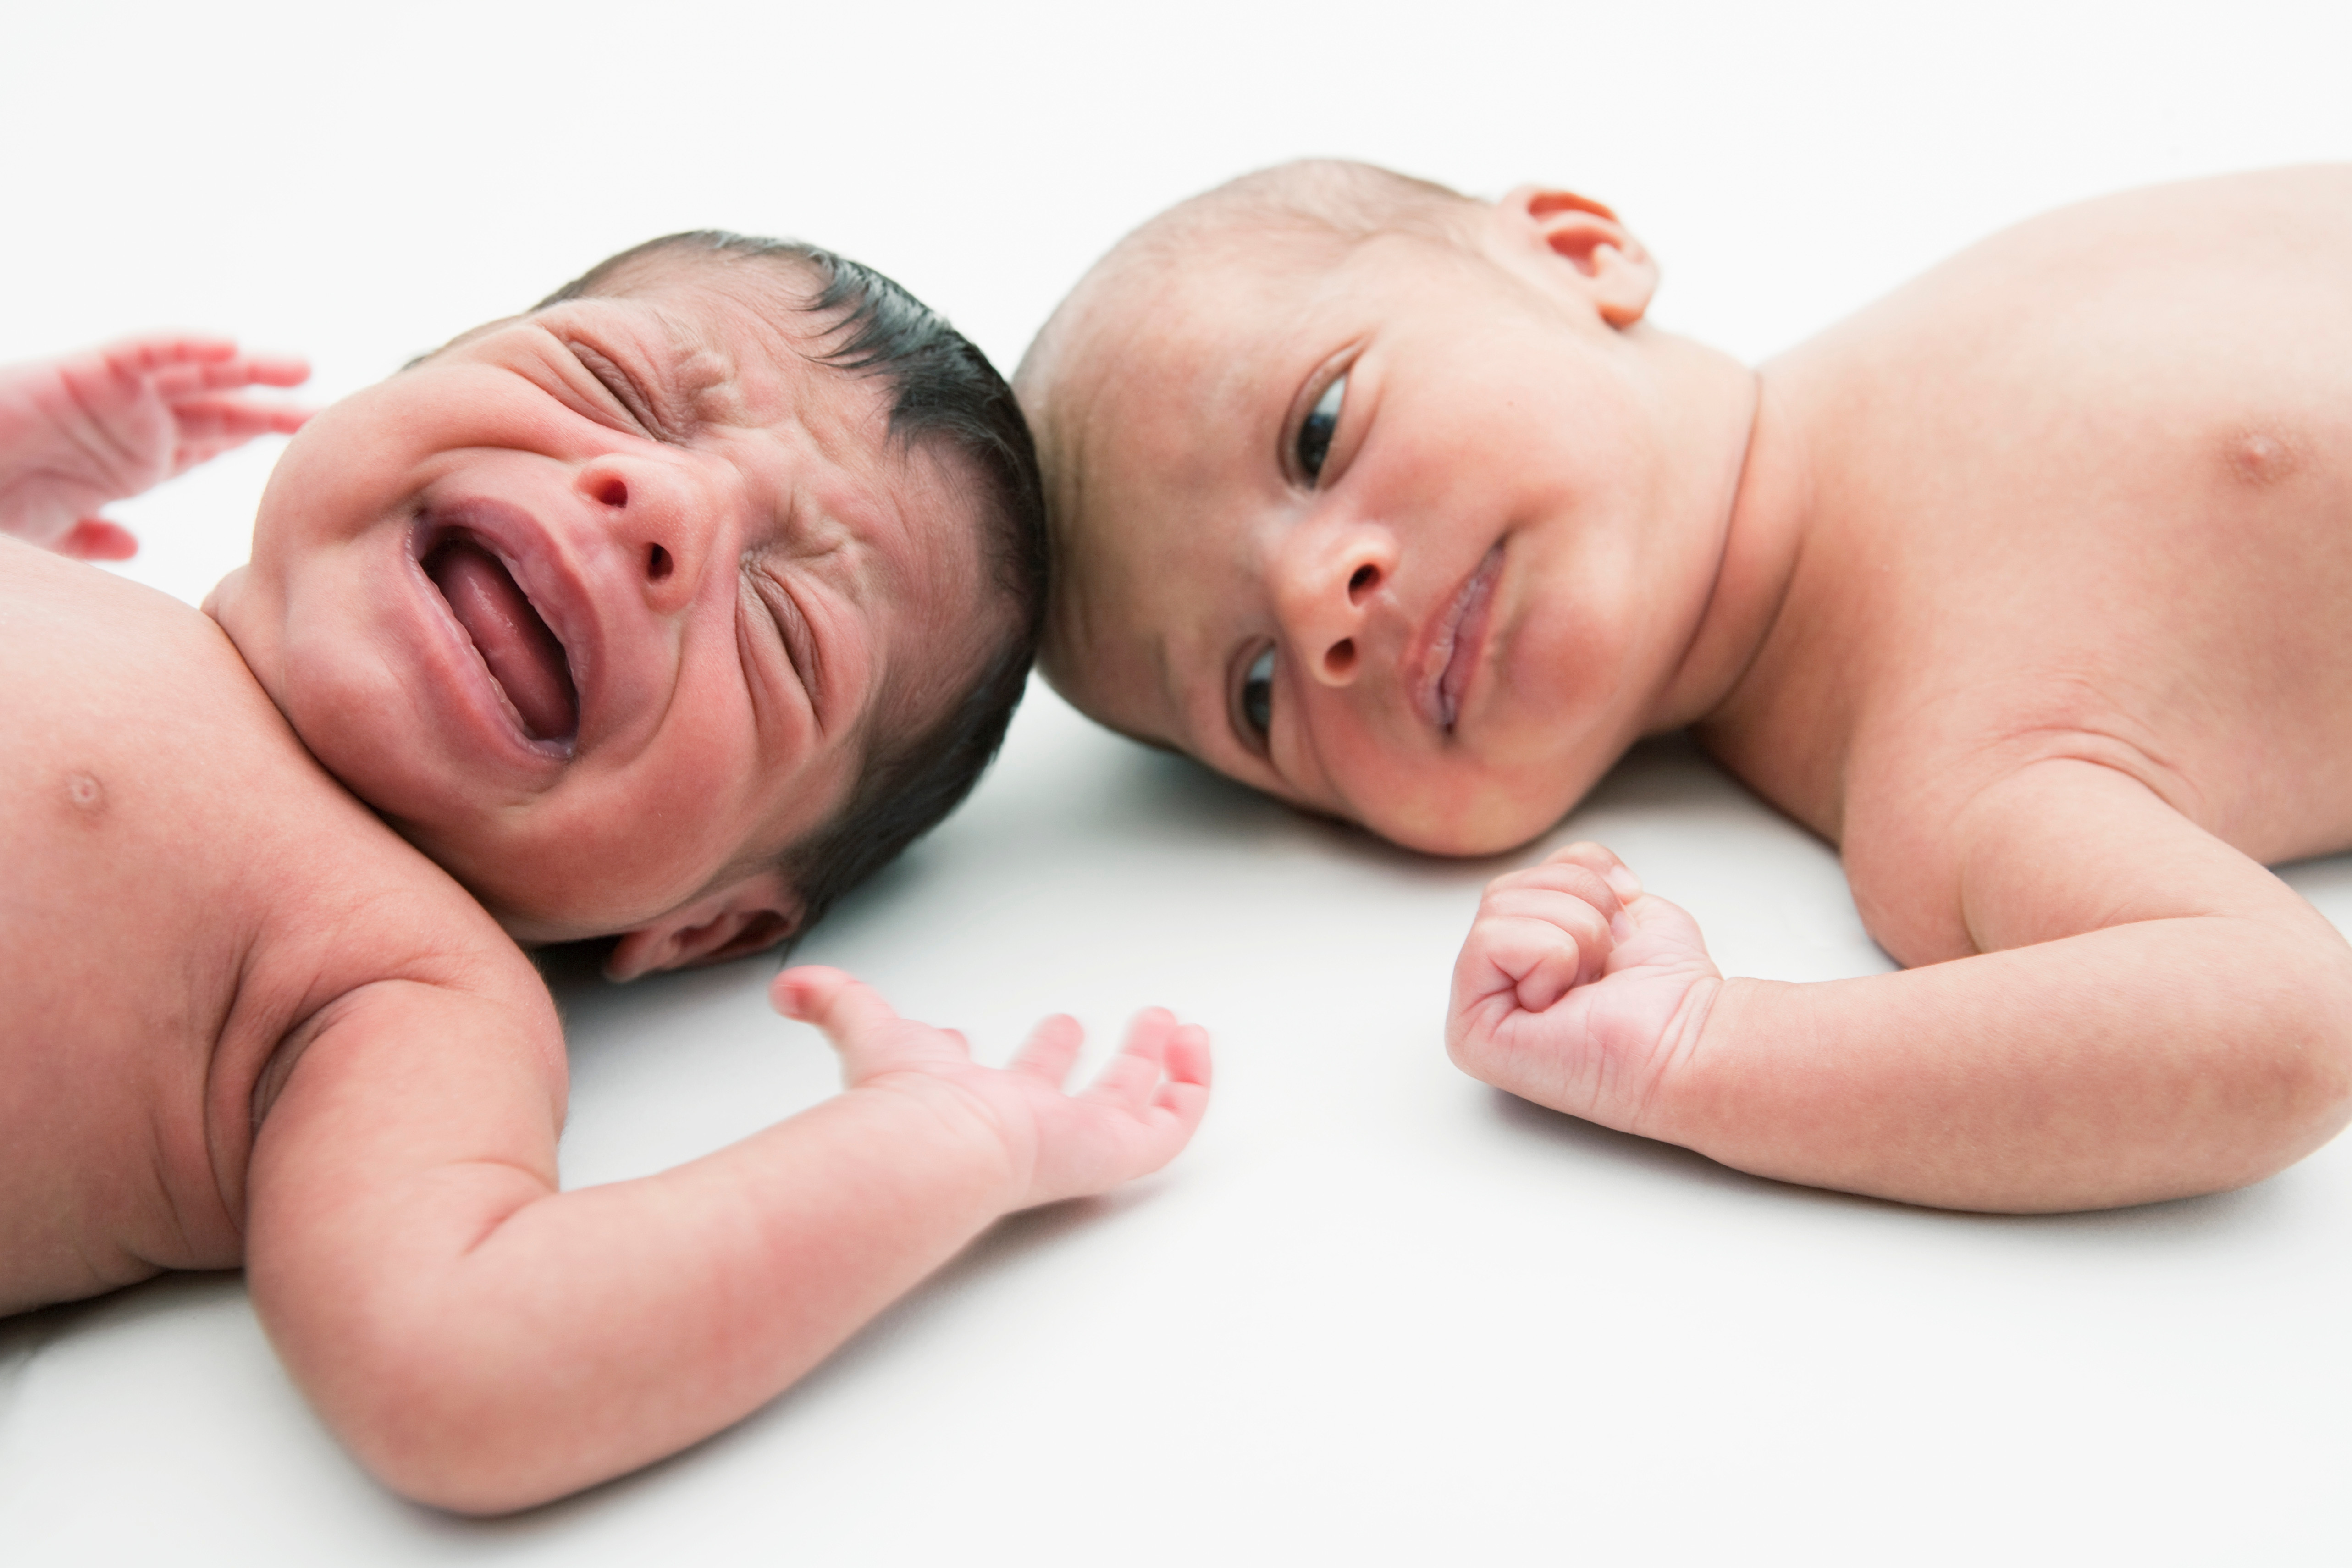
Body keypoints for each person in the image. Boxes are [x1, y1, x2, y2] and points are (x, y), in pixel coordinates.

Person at [0, 232, 1210, 1513]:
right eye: (614, 388)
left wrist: (938, 1145)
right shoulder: (111, 613)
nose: (668, 508)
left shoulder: (397, 981)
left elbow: (456, 1361)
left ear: (704, 924)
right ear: (402, 379)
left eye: (782, 630)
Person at [1013, 159, 2352, 1216]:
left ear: (1576, 252)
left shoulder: (1971, 290)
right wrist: (1702, 1050)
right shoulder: (1951, 771)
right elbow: (2277, 1022)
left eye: (1317, 429)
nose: (1318, 605)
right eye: (1254, 694)